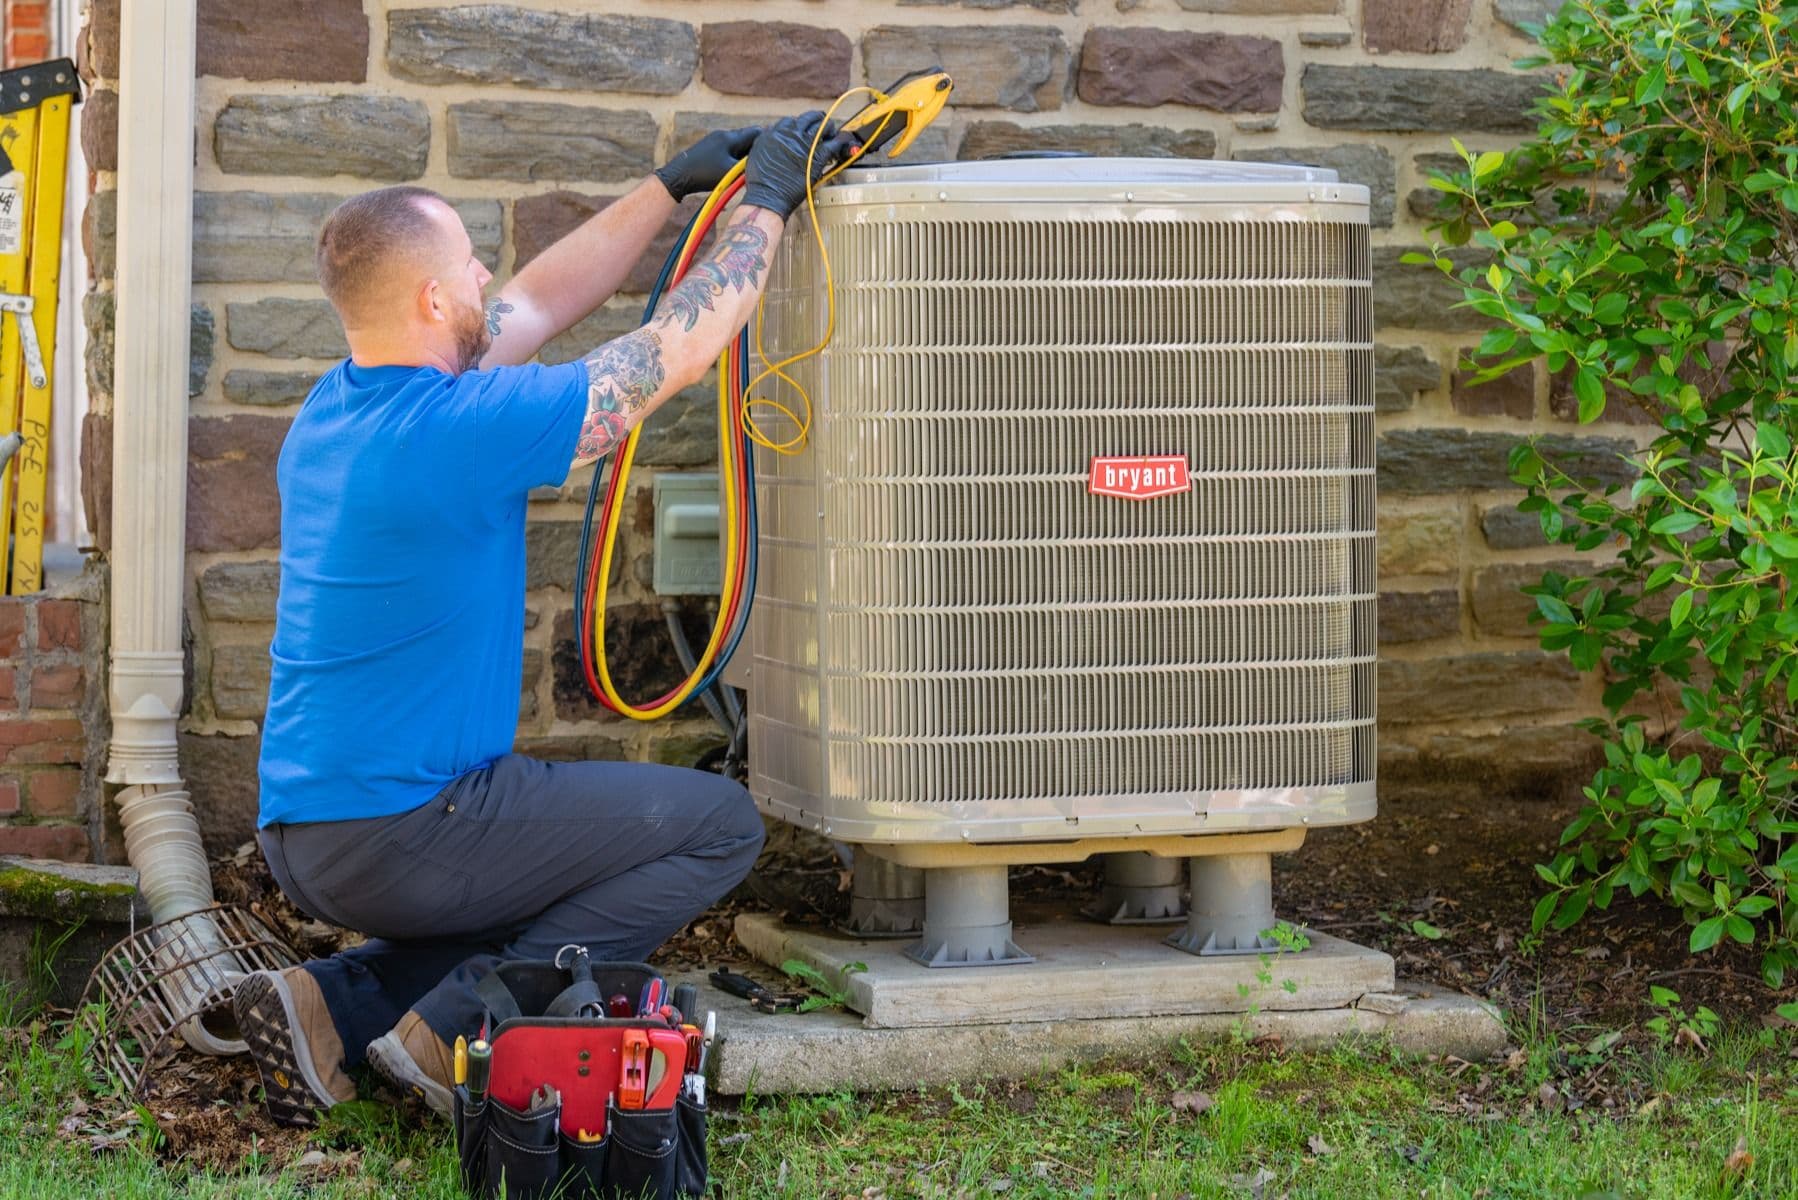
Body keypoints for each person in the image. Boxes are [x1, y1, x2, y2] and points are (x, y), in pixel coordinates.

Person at [231, 112, 861, 1127]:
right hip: (410, 827)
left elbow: (539, 298)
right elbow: (678, 350)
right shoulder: (463, 428)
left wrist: (670, 186)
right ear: (432, 296)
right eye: (471, 267)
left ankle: (333, 1009)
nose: (490, 279)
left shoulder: (337, 408)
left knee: (564, 867)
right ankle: (460, 1028)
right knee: (717, 827)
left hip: (309, 831)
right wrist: (766, 203)